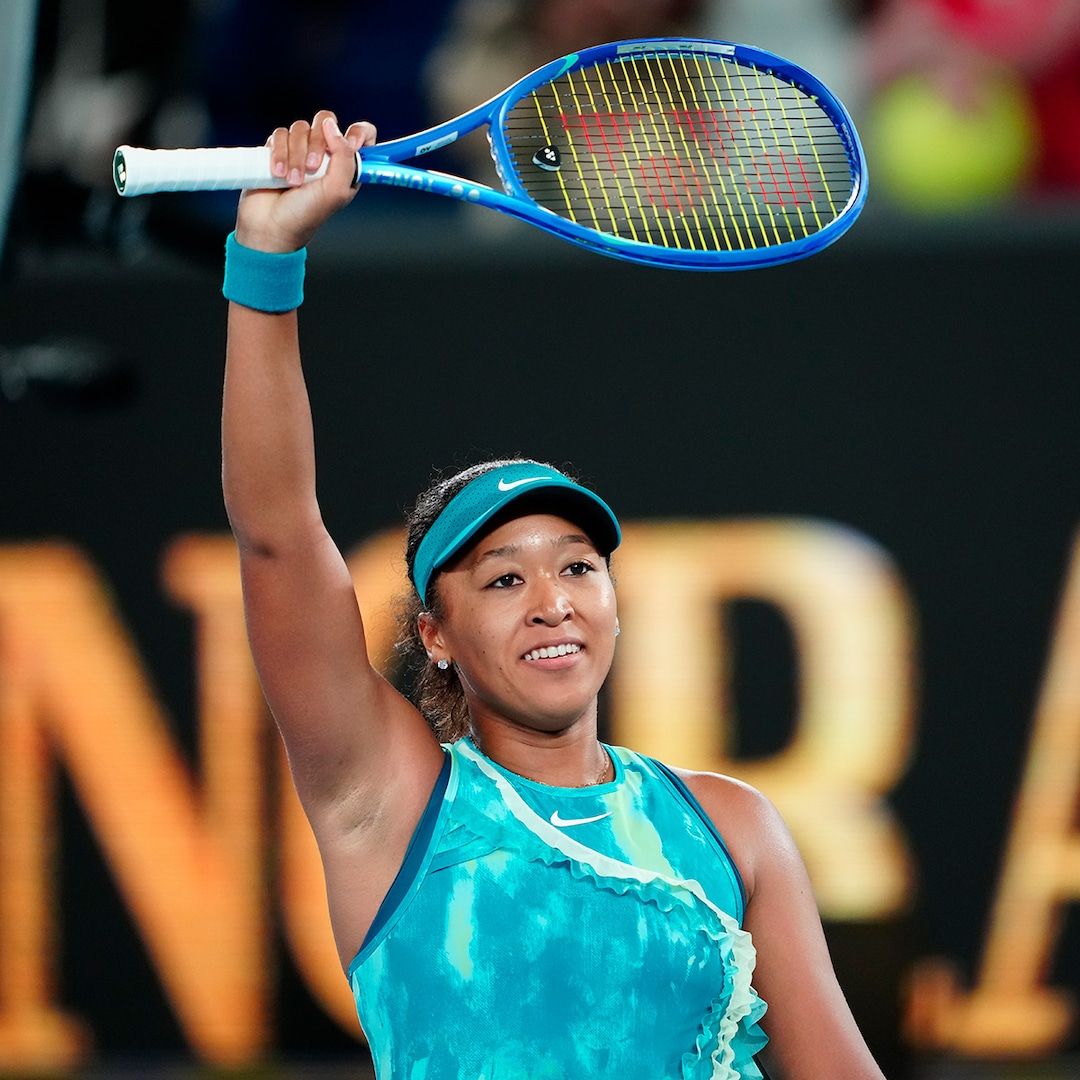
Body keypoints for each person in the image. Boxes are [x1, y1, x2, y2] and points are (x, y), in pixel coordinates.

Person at [222, 109, 887, 1079]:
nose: (552, 600)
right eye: (503, 578)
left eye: (577, 566)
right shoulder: (393, 803)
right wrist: (267, 256)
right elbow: (278, 536)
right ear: (435, 635)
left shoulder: (730, 828)